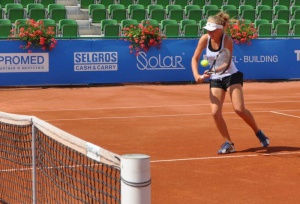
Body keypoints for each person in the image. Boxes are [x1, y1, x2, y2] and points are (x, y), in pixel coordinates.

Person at [191, 12, 269, 154]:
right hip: (216, 79)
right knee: (215, 113)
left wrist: (212, 71)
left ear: (220, 29)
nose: (210, 32)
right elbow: (195, 58)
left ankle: (258, 132)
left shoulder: (227, 40)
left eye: (212, 30)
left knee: (239, 109)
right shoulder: (204, 39)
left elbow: (226, 63)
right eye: (208, 29)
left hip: (231, 76)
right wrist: (196, 74)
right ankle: (228, 143)